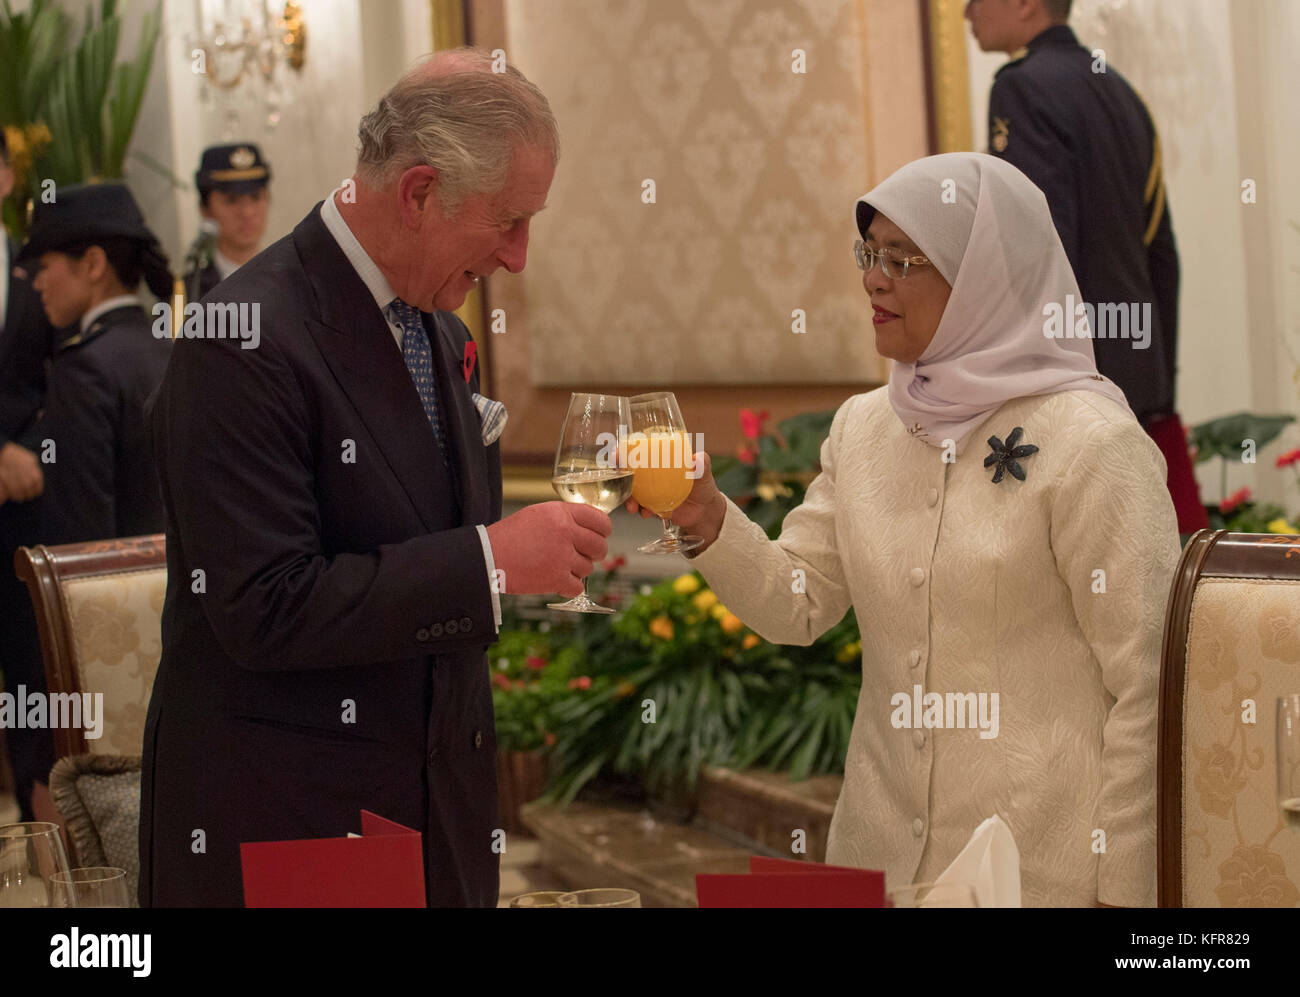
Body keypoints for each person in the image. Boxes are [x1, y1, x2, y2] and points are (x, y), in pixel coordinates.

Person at [630, 153, 1180, 907]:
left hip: (1044, 879)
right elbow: (798, 602)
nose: (871, 279)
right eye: (869, 253)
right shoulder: (864, 427)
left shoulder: (1093, 443)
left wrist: (1127, 900)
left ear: (982, 275)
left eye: (901, 259)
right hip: (878, 868)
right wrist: (707, 519)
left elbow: (1149, 686)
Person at [140, 48, 611, 908]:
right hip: (294, 822)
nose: (520, 256)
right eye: (508, 220)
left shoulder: (434, 321)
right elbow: (264, 607)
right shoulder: (238, 336)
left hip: (441, 823)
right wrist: (491, 564)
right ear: (420, 192)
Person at [966, 0, 1206, 535]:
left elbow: (1038, 249)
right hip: (1134, 369)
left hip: (1067, 375)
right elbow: (1161, 253)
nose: (965, 13)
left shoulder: (1021, 87)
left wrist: (1019, 373)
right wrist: (1157, 383)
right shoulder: (1122, 92)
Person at [19, 183, 173, 546]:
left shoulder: (84, 369)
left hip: (119, 595)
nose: (38, 283)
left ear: (92, 264)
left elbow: (81, 536)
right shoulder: (170, 348)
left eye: (45, 266)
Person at [0, 127, 56, 822]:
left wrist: (30, 452)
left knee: (28, 678)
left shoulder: (36, 275)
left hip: (19, 518)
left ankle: (36, 827)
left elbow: (65, 386)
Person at [182, 143, 272, 302]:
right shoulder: (189, 292)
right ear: (205, 209)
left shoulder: (293, 280)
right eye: (231, 200)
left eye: (256, 198)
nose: (247, 212)